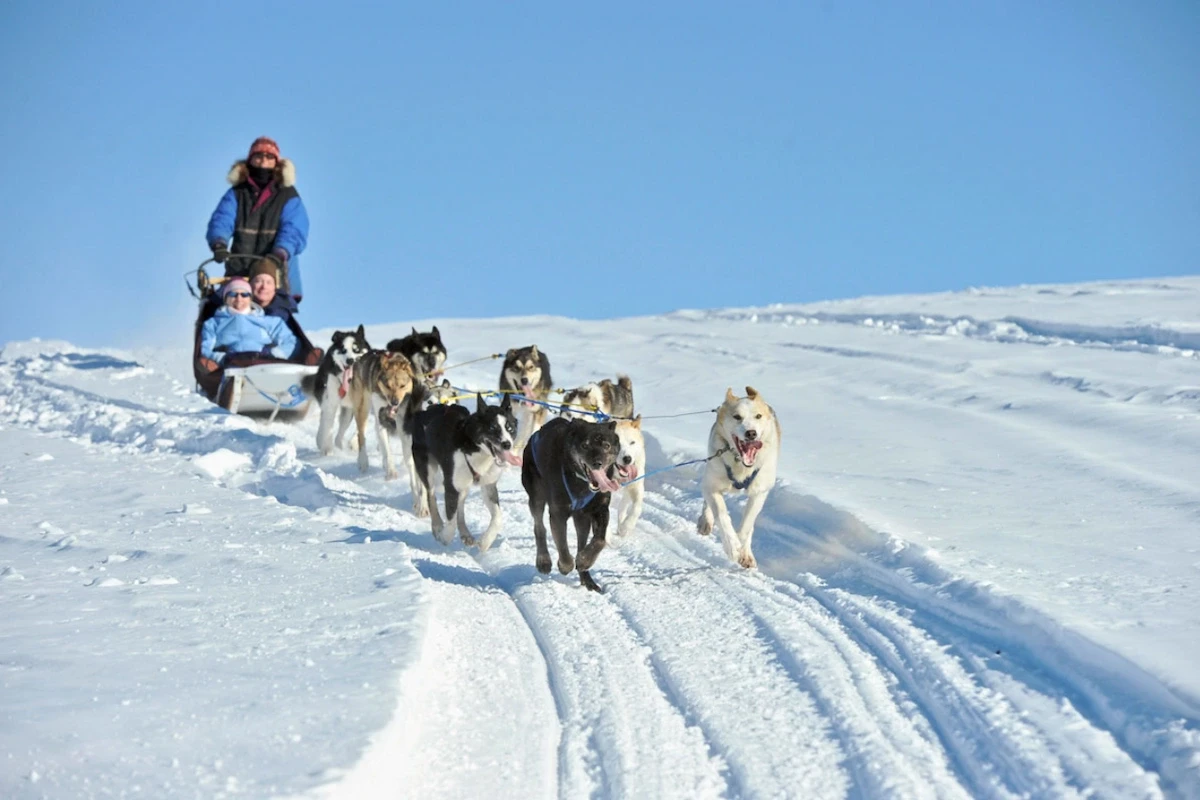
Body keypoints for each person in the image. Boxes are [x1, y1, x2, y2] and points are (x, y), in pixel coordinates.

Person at [206, 136, 310, 304]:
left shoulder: (288, 195)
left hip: (276, 274)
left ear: (276, 162)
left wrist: (281, 252)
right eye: (258, 156)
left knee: (276, 319)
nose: (263, 161)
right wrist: (219, 243)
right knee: (221, 313)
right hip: (240, 270)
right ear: (250, 160)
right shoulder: (237, 193)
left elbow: (294, 229)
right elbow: (222, 219)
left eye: (269, 157)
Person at [198, 278, 299, 372]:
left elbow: (290, 342)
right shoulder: (213, 323)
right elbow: (204, 349)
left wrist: (275, 354)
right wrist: (219, 358)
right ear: (226, 299)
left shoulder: (270, 322)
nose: (239, 298)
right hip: (229, 366)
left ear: (250, 299)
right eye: (233, 294)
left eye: (244, 295)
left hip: (264, 364)